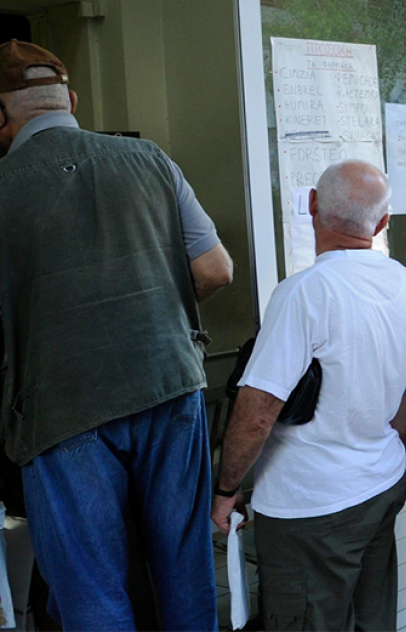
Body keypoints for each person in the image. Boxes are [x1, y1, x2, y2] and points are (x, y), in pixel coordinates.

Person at [0, 40, 233, 629]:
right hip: (169, 383)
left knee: (89, 587)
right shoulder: (151, 160)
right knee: (185, 570)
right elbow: (215, 270)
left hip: (61, 408)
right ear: (72, 100)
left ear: (0, 117)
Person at [212, 160, 406, 630]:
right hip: (381, 484)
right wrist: (375, 444)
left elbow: (256, 412)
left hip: (309, 507)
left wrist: (226, 489)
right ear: (384, 221)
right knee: (372, 619)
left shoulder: (303, 293)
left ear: (312, 204)